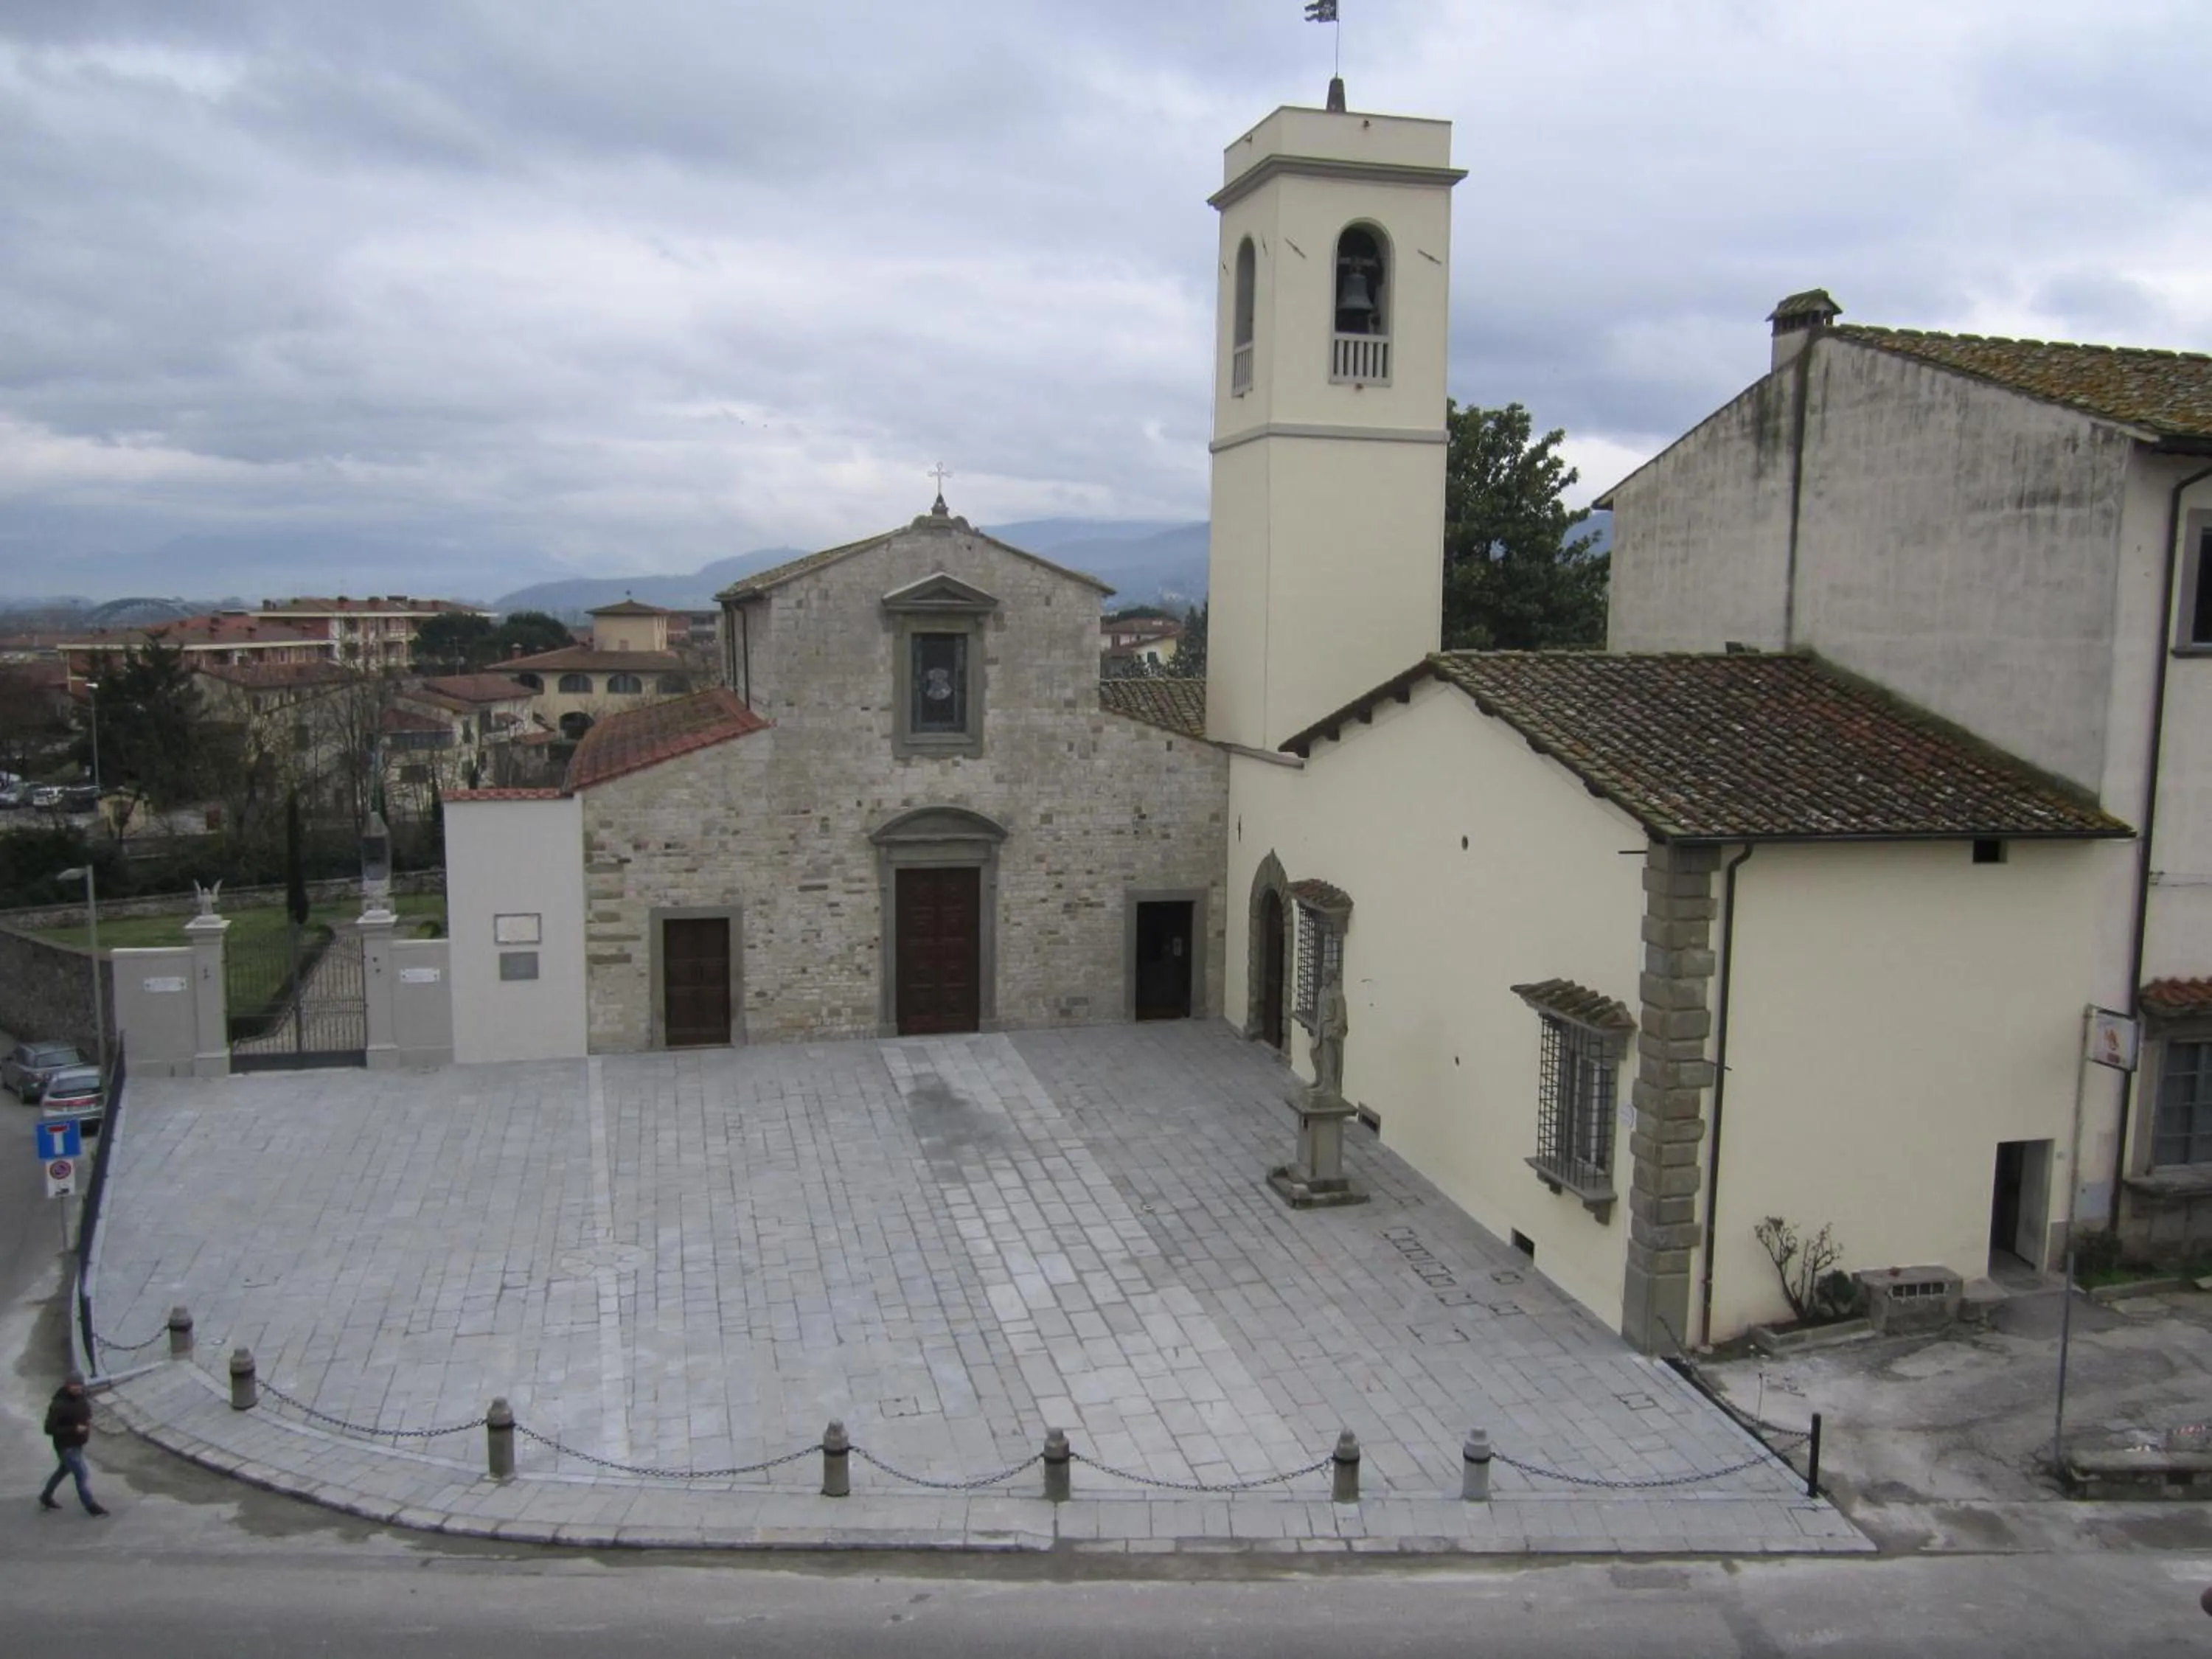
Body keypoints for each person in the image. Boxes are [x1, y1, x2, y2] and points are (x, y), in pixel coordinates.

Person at [39, 1371, 108, 1516]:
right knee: (81, 1474)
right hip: (66, 1446)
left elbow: (85, 1410)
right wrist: (73, 1429)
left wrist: (88, 1418)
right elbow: (49, 1429)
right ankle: (91, 1506)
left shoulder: (81, 1397)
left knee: (63, 1471)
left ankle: (46, 1496)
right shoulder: (58, 1405)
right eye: (74, 1385)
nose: (77, 1388)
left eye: (79, 1385)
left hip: (77, 1443)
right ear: (67, 1385)